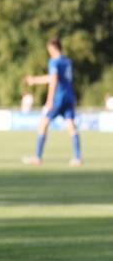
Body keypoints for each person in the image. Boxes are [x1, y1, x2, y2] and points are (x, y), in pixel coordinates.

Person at [22, 38, 83, 167]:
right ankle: (78, 158)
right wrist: (35, 80)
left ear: (53, 48)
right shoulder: (67, 61)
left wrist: (49, 100)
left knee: (43, 124)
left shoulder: (54, 61)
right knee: (71, 126)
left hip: (58, 98)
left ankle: (38, 157)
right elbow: (56, 78)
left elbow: (54, 80)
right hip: (69, 97)